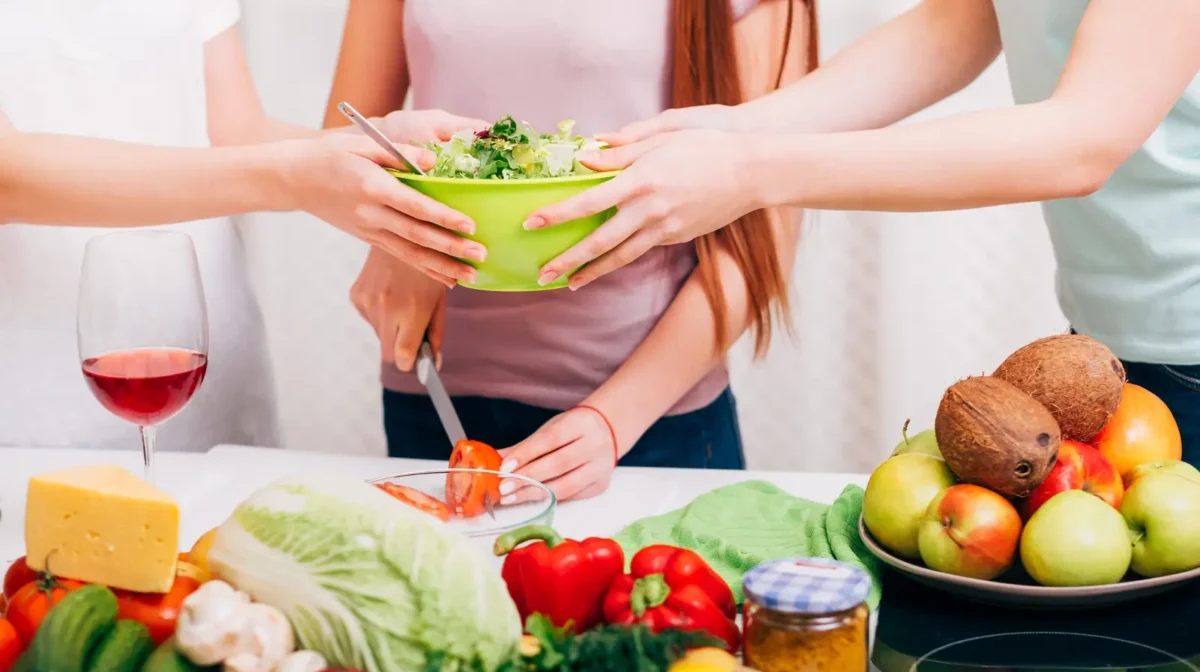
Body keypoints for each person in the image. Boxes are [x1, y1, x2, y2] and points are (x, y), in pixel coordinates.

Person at [525, 0, 1200, 465]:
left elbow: (1082, 142)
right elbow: (963, 20)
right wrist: (745, 125)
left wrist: (750, 169)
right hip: (1110, 336)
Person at [326, 0, 816, 501]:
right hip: (432, 392)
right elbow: (340, 150)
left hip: (647, 420)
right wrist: (398, 227)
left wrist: (613, 420)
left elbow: (761, 238)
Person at [0, 0, 481, 450]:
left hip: (204, 378)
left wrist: (372, 149)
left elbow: (235, 132)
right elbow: (8, 177)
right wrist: (297, 175)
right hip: (43, 403)